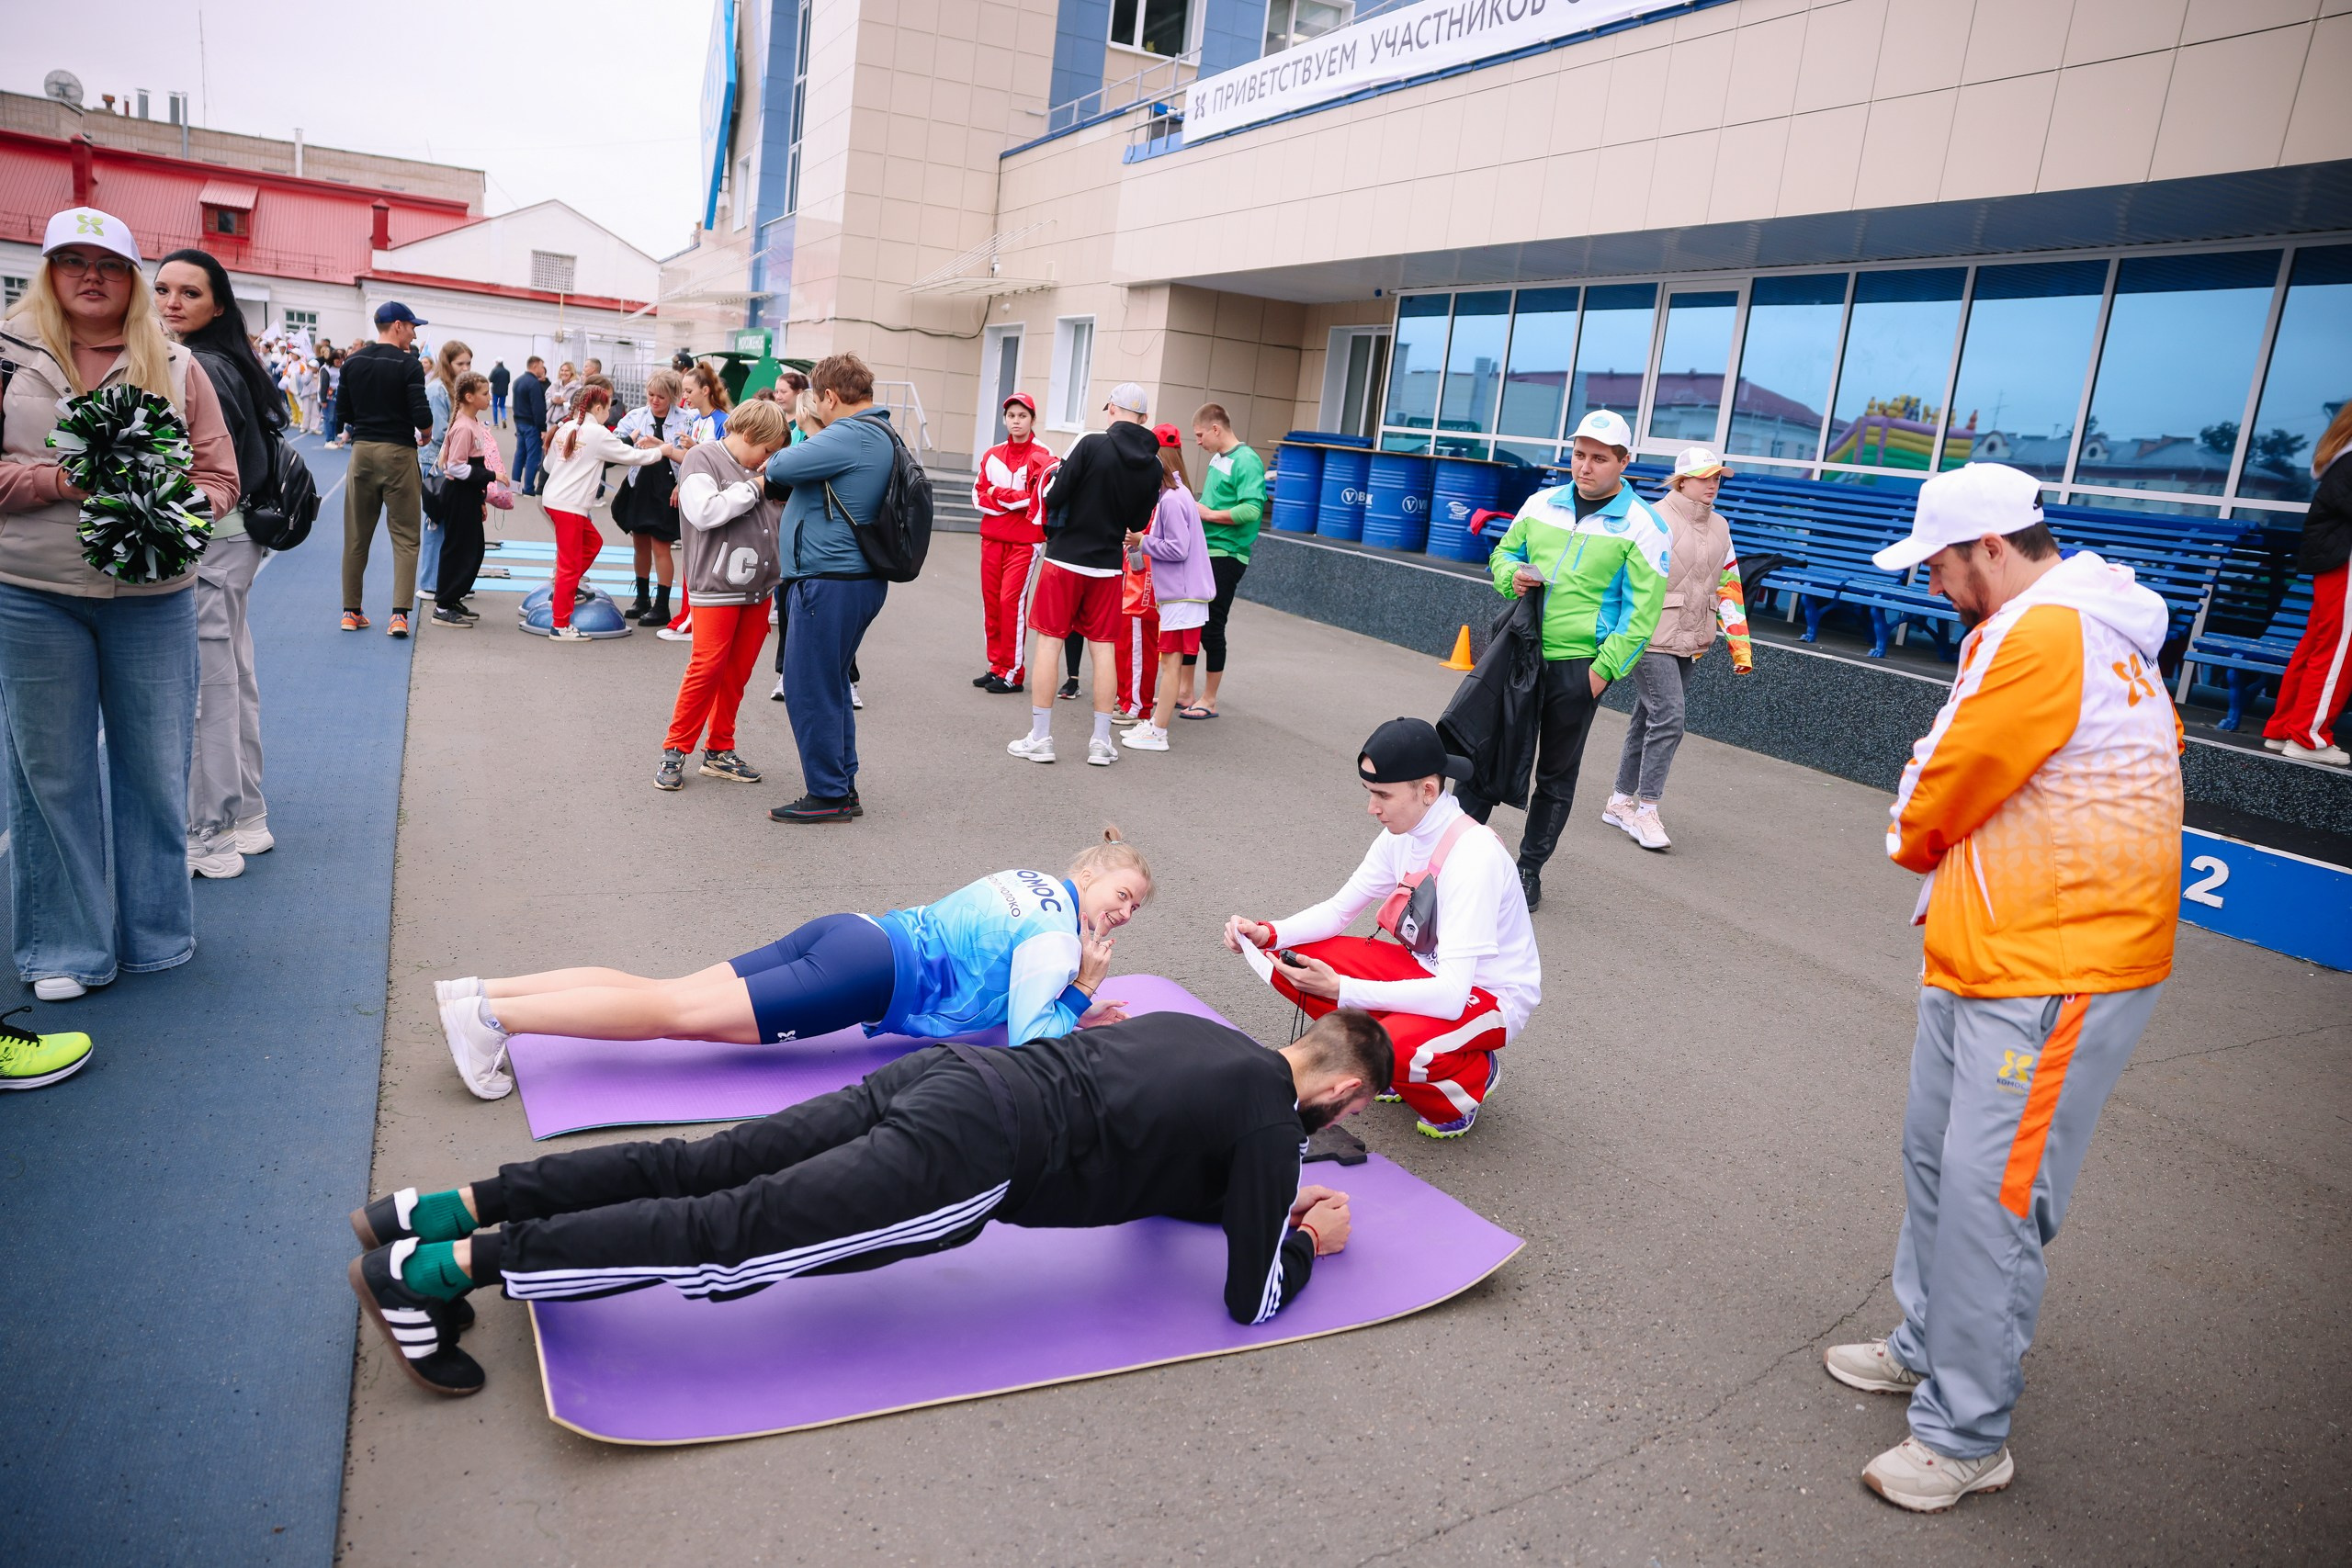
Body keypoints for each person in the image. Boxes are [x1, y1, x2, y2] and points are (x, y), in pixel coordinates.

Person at [350, 1002, 1384, 1395]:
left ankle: (431, 1210)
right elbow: (1245, 1298)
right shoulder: (1263, 1122)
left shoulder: (1209, 1039)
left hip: (951, 1077)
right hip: (972, 1152)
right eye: (1349, 1112)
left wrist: (1257, 1181)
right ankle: (426, 1276)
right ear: (1337, 1091)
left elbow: (1165, 1159)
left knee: (700, 1164)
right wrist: (1305, 1248)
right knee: (727, 1238)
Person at [1821, 462, 2184, 1513]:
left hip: (2056, 963)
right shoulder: (2070, 624)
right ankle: (1928, 1343)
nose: (1930, 581)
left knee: (1991, 1199)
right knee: (1937, 1159)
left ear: (1989, 548)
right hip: (1999, 947)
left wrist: (1904, 823)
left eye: (1937, 562)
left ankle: (1967, 1431)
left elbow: (1937, 788)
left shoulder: (2042, 634)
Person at [434, 829, 1152, 1098]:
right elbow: (1031, 1045)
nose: (1123, 912)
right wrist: (1083, 989)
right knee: (672, 1014)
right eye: (1123, 894)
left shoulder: (1027, 877)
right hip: (864, 976)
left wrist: (1070, 996)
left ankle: (481, 992)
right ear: (1090, 874)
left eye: (1134, 909)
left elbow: (993, 969)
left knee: (666, 992)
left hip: (851, 931)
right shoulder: (1059, 940)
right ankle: (494, 1018)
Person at [0, 209, 239, 1001]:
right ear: (49, 271)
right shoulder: (9, 355)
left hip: (154, 595)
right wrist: (67, 479)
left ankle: (157, 934)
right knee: (50, 776)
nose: (89, 275)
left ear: (131, 276)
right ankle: (66, 946)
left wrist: (173, 505)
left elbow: (221, 476)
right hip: (34, 594)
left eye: (107, 262)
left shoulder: (174, 363)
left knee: (156, 771)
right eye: (71, 260)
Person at [1227, 717, 1539, 1140]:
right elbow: (1339, 910)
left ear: (1428, 790)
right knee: (1293, 963)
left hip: (1489, 997)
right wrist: (1269, 933)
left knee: (1393, 1045)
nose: (1371, 808)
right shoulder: (1403, 831)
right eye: (1369, 792)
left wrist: (1342, 989)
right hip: (1429, 971)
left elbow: (1450, 995)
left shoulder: (1473, 856)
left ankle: (1468, 1082)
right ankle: (1400, 1064)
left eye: (1382, 795)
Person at [1461, 409, 1668, 911]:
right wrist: (1515, 577)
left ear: (1623, 462)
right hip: (1519, 652)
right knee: (1485, 754)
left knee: (1555, 773)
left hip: (1580, 666)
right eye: (1579, 455)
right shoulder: (1539, 504)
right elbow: (1501, 557)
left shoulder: (1645, 526)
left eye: (1599, 458)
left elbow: (1642, 616)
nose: (1585, 466)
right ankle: (1455, 860)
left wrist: (1601, 674)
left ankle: (1528, 870)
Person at [153, 247, 286, 877]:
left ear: (219, 304)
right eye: (162, 290)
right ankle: (246, 816)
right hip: (236, 539)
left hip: (213, 537)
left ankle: (211, 833)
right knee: (234, 678)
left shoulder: (195, 365)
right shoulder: (232, 360)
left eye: (189, 292)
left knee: (210, 690)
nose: (172, 303)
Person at [760, 354, 898, 822]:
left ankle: (829, 793)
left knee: (807, 687)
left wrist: (808, 432)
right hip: (848, 579)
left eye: (816, 400)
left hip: (831, 579)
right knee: (830, 684)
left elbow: (779, 465)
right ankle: (840, 785)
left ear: (830, 398)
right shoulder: (879, 432)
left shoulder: (850, 433)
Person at [1601, 445, 1754, 851]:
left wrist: (1740, 646)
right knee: (1669, 716)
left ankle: (1619, 802)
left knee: (1646, 717)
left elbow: (1729, 585)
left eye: (1718, 477)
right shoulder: (1653, 519)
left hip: (1691, 637)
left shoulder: (1721, 526)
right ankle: (1647, 811)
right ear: (1681, 480)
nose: (1713, 484)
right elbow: (1621, 575)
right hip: (1649, 636)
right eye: (1705, 477)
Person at [1011, 381, 1162, 768]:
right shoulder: (1154, 464)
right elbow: (1138, 521)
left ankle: (1041, 738)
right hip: (1109, 565)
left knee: (1049, 643)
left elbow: (1056, 493)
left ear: (1111, 408)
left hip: (1065, 559)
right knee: (1104, 647)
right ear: (1143, 418)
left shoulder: (1090, 442)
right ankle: (1100, 741)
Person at [657, 396, 789, 792]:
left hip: (758, 586)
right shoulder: (703, 458)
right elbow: (705, 512)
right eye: (766, 450)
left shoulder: (758, 469)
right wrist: (757, 486)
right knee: (707, 667)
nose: (765, 459)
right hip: (716, 586)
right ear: (748, 434)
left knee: (736, 674)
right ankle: (675, 749)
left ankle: (719, 749)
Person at [2259, 400, 2352, 765]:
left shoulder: (2341, 458)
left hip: (2335, 563)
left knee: (2317, 647)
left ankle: (2285, 728)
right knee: (2336, 653)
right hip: (2346, 563)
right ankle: (2309, 738)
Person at [538, 384, 666, 642]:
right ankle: (560, 624)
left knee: (591, 544)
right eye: (609, 408)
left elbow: (549, 465)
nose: (610, 413)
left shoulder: (566, 428)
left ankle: (566, 588)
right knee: (569, 565)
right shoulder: (596, 432)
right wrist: (661, 451)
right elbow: (630, 456)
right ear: (598, 408)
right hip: (569, 506)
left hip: (557, 501)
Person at [337, 302, 435, 637]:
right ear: (397, 325)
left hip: (363, 451)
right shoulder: (409, 364)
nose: (413, 332)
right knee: (406, 536)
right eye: (411, 327)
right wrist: (426, 433)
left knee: (356, 535)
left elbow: (342, 412)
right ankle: (399, 616)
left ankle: (351, 611)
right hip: (399, 453)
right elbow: (420, 412)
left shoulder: (353, 361)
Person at [1119, 426, 1214, 752]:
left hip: (1181, 595)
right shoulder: (1181, 493)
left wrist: (1142, 541)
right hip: (1185, 594)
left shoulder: (1171, 499)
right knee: (1171, 662)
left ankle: (1158, 731)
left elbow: (1177, 548)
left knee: (1170, 663)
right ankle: (1156, 726)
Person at [1172, 402, 1266, 720]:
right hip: (1205, 550)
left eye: (1200, 435)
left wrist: (1207, 513)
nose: (1197, 441)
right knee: (1191, 623)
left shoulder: (1247, 460)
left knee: (1212, 626)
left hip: (1227, 554)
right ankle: (1185, 692)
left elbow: (1252, 510)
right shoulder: (1219, 458)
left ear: (1216, 428)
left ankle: (1209, 699)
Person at [972, 391, 1056, 694]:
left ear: (1033, 419)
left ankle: (1013, 673)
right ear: (1004, 419)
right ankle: (997, 665)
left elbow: (1037, 500)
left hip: (1025, 541)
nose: (1016, 421)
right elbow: (977, 497)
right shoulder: (992, 453)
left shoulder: (1044, 454)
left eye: (1022, 415)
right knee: (991, 602)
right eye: (1011, 416)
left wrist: (998, 493)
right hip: (992, 538)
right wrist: (1011, 499)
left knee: (1011, 602)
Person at [613, 369, 693, 627]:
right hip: (640, 484)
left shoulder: (686, 420)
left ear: (672, 396)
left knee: (661, 546)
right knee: (640, 544)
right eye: (650, 395)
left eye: (660, 396)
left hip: (667, 487)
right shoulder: (636, 416)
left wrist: (659, 445)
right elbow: (614, 442)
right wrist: (630, 440)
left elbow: (691, 455)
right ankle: (642, 598)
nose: (654, 400)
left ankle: (662, 605)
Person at [430, 372, 505, 627]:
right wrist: (493, 475)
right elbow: (455, 467)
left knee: (472, 549)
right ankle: (442, 605)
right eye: (485, 394)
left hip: (468, 495)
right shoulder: (463, 426)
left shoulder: (471, 423)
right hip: (459, 495)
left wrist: (481, 498)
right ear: (469, 397)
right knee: (459, 550)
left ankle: (452, 598)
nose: (490, 397)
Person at [418, 340, 472, 609]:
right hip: (436, 464)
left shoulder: (456, 389)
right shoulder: (437, 390)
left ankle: (449, 580)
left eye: (468, 363)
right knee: (434, 523)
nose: (465, 368)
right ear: (447, 363)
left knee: (452, 525)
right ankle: (430, 582)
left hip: (451, 462)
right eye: (460, 363)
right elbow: (441, 433)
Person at [510, 355, 548, 495]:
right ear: (535, 365)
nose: (542, 369)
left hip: (520, 423)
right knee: (533, 456)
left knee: (520, 454)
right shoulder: (534, 384)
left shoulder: (518, 381)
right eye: (541, 366)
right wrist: (542, 428)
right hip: (531, 425)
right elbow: (538, 408)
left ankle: (514, 486)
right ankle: (528, 488)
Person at [487, 359, 510, 427]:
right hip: (504, 391)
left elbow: (490, 379)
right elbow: (508, 381)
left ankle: (496, 423)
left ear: (497, 363)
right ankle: (504, 418)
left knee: (495, 406)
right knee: (502, 406)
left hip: (495, 391)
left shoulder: (495, 370)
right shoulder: (507, 372)